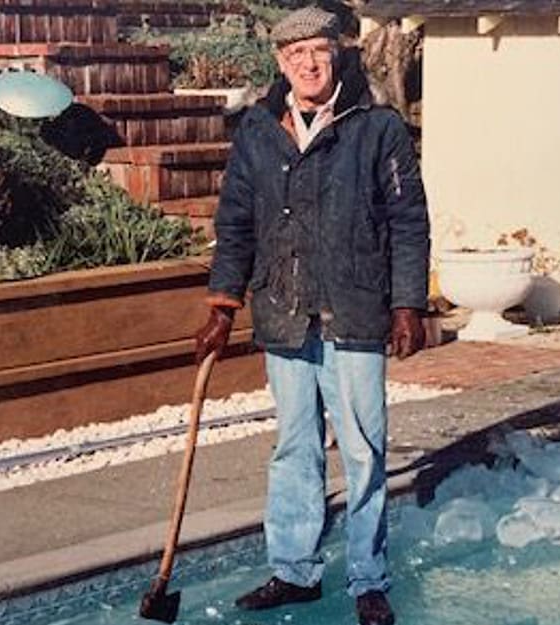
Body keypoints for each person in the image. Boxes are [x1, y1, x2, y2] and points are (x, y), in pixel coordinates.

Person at [194, 6, 429, 625]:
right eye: (295, 54)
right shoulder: (258, 130)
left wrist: (407, 304)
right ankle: (293, 571)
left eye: (318, 51)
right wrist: (224, 304)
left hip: (354, 310)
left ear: (338, 55)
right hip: (283, 311)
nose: (308, 63)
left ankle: (367, 578)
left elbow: (409, 223)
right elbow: (236, 222)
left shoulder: (378, 127)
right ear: (280, 62)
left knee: (363, 451)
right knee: (295, 448)